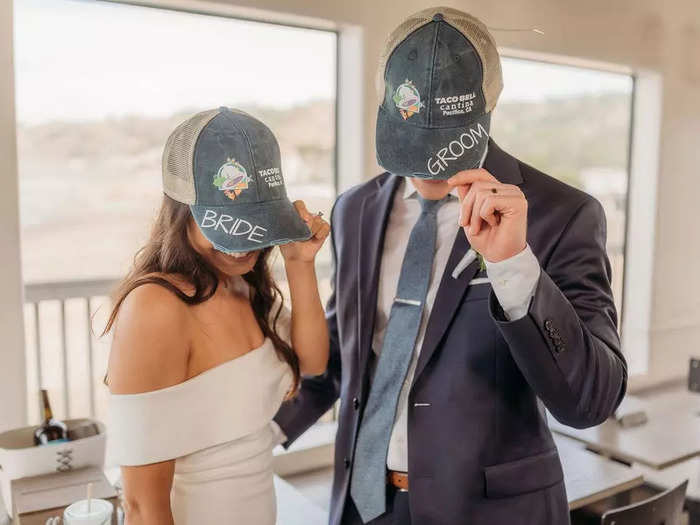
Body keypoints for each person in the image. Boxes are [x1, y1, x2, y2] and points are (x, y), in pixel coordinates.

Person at [273, 8, 627, 525]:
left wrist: (512, 264)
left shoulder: (563, 214)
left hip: (491, 513)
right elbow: (342, 356)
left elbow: (592, 400)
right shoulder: (355, 210)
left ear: (489, 108)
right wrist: (250, 440)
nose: (428, 169)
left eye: (445, 143)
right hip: (364, 506)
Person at [105, 107, 330, 525]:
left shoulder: (244, 284)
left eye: (254, 223)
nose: (243, 246)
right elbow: (142, 505)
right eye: (227, 225)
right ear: (181, 212)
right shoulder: (156, 308)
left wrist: (300, 264)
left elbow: (313, 364)